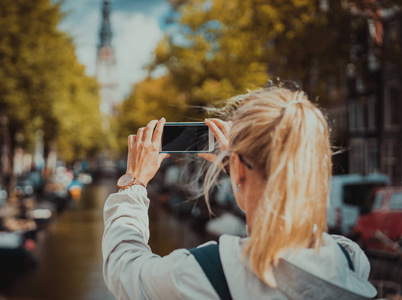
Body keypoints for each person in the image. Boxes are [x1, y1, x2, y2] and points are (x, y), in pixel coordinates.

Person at [102, 86, 377, 299]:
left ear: (240, 171)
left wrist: (134, 182)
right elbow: (296, 232)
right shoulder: (351, 259)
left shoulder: (207, 273)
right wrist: (239, 169)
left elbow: (124, 272)